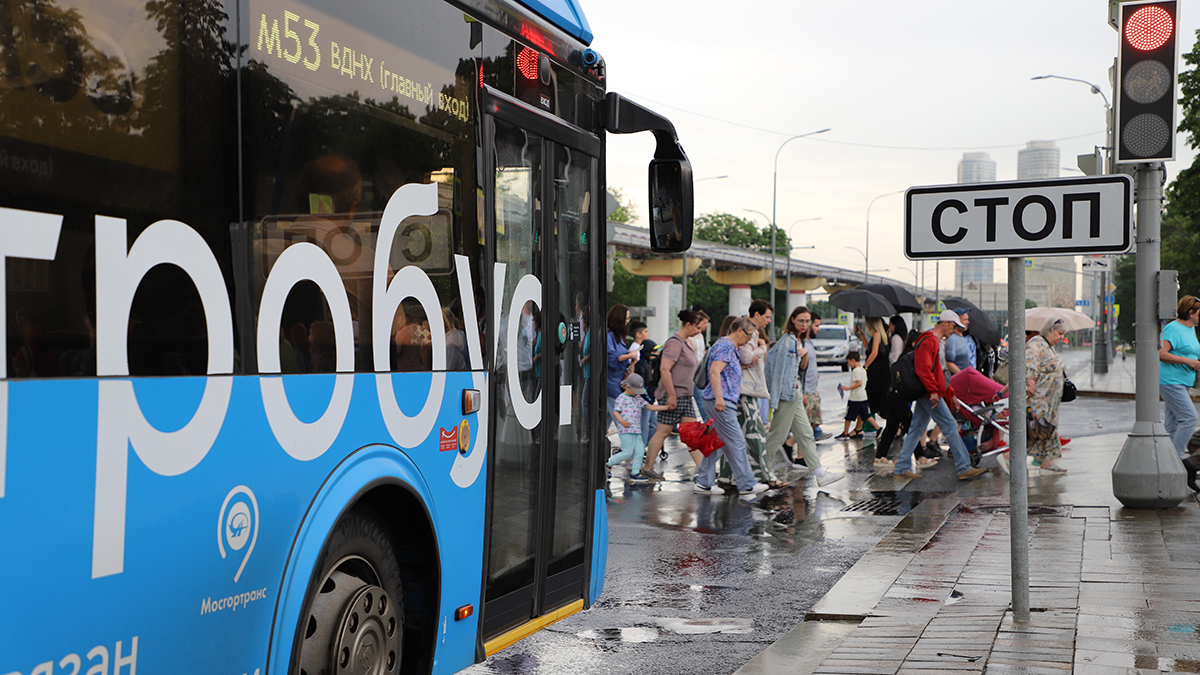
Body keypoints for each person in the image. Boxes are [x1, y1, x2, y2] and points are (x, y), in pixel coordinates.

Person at [892, 310, 989, 481]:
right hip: (928, 392)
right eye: (953, 326)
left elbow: (939, 372)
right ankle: (964, 467)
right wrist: (934, 392)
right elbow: (925, 370)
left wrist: (950, 394)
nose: (955, 330)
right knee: (950, 425)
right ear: (944, 323)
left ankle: (901, 468)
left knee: (917, 427)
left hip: (927, 391)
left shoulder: (934, 341)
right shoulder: (930, 341)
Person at [763, 306, 842, 486]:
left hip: (796, 391)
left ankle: (820, 474)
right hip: (788, 393)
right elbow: (779, 371)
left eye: (807, 321)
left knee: (806, 434)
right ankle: (760, 472)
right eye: (801, 321)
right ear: (792, 320)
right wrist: (775, 399)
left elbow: (802, 368)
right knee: (778, 435)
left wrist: (803, 354)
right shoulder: (787, 341)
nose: (805, 324)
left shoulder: (799, 341)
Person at [693, 317, 770, 497]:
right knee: (737, 442)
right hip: (721, 402)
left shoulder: (729, 347)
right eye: (749, 335)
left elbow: (726, 371)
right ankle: (747, 484)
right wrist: (719, 398)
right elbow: (714, 371)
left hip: (720, 401)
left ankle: (704, 482)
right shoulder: (726, 346)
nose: (749, 340)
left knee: (717, 444)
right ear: (739, 331)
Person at [724, 301, 787, 489]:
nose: (769, 321)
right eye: (767, 317)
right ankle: (765, 476)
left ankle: (728, 478)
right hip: (745, 390)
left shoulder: (750, 331)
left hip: (740, 389)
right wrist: (762, 348)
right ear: (757, 315)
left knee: (737, 436)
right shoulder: (749, 331)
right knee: (755, 433)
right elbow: (745, 357)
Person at [640, 310, 706, 478]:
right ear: (688, 325)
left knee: (692, 435)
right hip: (674, 395)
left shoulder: (686, 342)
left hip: (684, 395)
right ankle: (647, 468)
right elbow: (664, 369)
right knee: (663, 431)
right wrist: (671, 395)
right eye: (697, 327)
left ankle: (705, 472)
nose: (700, 331)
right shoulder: (675, 343)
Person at [607, 374, 670, 482]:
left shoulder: (638, 398)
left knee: (640, 451)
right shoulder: (621, 398)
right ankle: (608, 465)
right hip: (625, 430)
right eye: (635, 390)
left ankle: (635, 473)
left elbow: (650, 407)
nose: (637, 392)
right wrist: (622, 421)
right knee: (627, 452)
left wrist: (666, 407)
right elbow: (616, 412)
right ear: (627, 387)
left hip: (636, 430)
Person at [1159, 296, 1200, 460]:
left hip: (1183, 382)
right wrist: (1187, 361)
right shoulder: (1173, 328)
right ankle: (1177, 459)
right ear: (1191, 313)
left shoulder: (1191, 329)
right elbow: (1161, 353)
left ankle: (1165, 460)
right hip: (1170, 381)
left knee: (1173, 423)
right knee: (1189, 418)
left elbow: (1189, 351)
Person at [1026, 318, 1069, 473]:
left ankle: (1045, 461)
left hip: (1050, 400)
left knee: (1047, 430)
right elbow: (1030, 365)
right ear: (1050, 330)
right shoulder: (1036, 344)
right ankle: (1010, 458)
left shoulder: (1047, 346)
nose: (1061, 337)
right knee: (1039, 430)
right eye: (1059, 333)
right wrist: (1030, 384)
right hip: (1040, 399)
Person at [856, 316, 890, 433]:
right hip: (882, 371)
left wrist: (864, 367)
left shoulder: (876, 334)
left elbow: (874, 353)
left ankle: (864, 427)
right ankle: (860, 427)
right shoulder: (882, 334)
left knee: (867, 398)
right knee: (870, 399)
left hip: (875, 372)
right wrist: (862, 334)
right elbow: (869, 348)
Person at [628, 321, 658, 446]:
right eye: (645, 331)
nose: (648, 334)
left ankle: (644, 447)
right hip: (643, 398)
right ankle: (640, 450)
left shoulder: (647, 361)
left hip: (647, 398)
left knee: (652, 424)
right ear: (638, 334)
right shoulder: (636, 349)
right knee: (644, 424)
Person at [606, 304, 636, 427]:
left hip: (617, 380)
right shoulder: (609, 336)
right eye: (626, 318)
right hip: (611, 382)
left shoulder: (618, 337)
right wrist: (630, 356)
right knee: (622, 420)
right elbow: (611, 357)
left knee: (605, 421)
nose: (627, 322)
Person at [837, 351, 869, 439]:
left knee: (848, 416)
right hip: (863, 396)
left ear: (853, 360)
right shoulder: (863, 369)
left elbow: (859, 383)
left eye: (849, 362)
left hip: (855, 398)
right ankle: (859, 430)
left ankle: (845, 432)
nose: (849, 365)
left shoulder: (856, 371)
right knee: (863, 415)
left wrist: (847, 388)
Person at [945, 307, 975, 374]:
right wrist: (963, 376)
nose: (968, 322)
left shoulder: (962, 338)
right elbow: (949, 363)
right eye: (965, 320)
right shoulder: (952, 339)